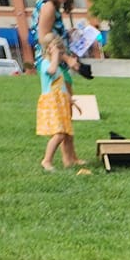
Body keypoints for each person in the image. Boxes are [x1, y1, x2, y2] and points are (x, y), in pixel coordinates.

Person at [35, 34, 83, 172]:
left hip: (60, 102)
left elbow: (61, 86)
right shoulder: (45, 63)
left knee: (67, 133)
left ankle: (70, 161)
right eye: (59, 51)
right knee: (59, 134)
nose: (61, 54)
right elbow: (51, 71)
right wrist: (55, 56)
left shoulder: (59, 68)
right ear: (49, 49)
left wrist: (70, 100)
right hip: (52, 103)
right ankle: (46, 160)